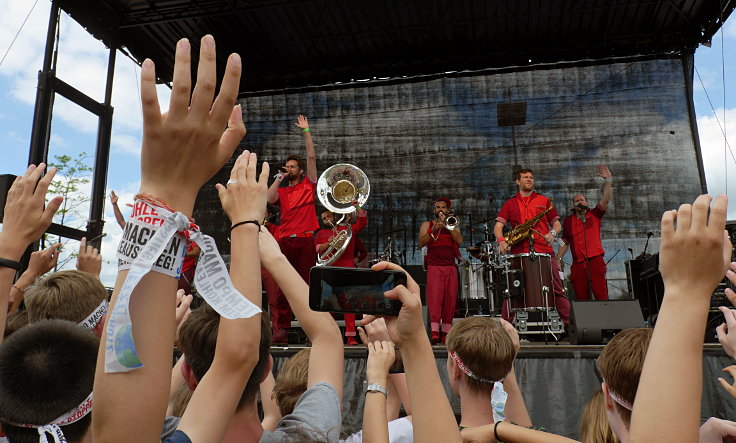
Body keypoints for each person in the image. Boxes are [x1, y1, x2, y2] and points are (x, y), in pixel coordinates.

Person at [266, 114, 319, 343]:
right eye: (286, 166)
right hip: (285, 240)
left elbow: (311, 156)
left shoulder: (309, 184)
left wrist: (306, 132)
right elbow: (268, 198)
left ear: (299, 170)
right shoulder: (282, 190)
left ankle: (311, 329)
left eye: (292, 167)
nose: (288, 169)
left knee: (307, 286)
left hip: (306, 239)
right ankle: (281, 330)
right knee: (281, 287)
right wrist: (278, 177)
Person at [494, 168, 570, 324]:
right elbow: (498, 226)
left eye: (531, 177)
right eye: (525, 177)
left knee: (557, 289)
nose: (529, 179)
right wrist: (502, 241)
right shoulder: (510, 203)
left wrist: (552, 234)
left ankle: (570, 325)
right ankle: (505, 327)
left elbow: (557, 225)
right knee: (514, 290)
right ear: (517, 181)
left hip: (545, 251)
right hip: (519, 253)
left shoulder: (544, 201)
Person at [557, 165, 613, 300]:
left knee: (601, 296)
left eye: (582, 199)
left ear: (586, 202)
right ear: (573, 205)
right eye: (577, 201)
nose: (579, 202)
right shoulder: (568, 221)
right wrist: (558, 259)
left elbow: (605, 200)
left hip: (595, 260)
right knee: (582, 298)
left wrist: (608, 180)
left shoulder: (594, 214)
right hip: (577, 264)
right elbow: (564, 241)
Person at [315, 204, 368, 345]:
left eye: (329, 216)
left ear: (335, 216)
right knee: (329, 304)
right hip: (329, 269)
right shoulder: (321, 234)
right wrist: (330, 242)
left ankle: (351, 337)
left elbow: (362, 222)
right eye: (324, 218)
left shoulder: (348, 229)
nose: (326, 220)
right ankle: (330, 336)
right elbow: (318, 249)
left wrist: (357, 208)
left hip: (346, 268)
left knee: (348, 303)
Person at [418, 197, 463, 344]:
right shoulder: (427, 224)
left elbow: (459, 240)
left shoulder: (452, 223)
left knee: (450, 301)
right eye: (438, 208)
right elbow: (421, 242)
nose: (441, 210)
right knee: (435, 300)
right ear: (434, 210)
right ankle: (435, 333)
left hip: (450, 267)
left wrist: (448, 227)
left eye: (444, 208)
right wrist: (434, 229)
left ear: (448, 210)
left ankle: (446, 333)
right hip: (435, 267)